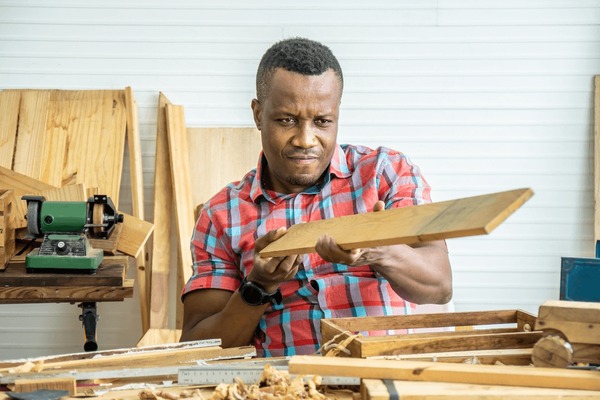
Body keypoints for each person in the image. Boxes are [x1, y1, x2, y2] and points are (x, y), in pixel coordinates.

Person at [180, 37, 452, 357]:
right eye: (287, 120)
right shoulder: (221, 215)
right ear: (257, 114)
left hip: (395, 375)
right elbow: (200, 348)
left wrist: (380, 251)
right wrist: (259, 285)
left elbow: (440, 287)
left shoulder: (386, 174)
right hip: (289, 385)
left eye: (322, 121)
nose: (305, 139)